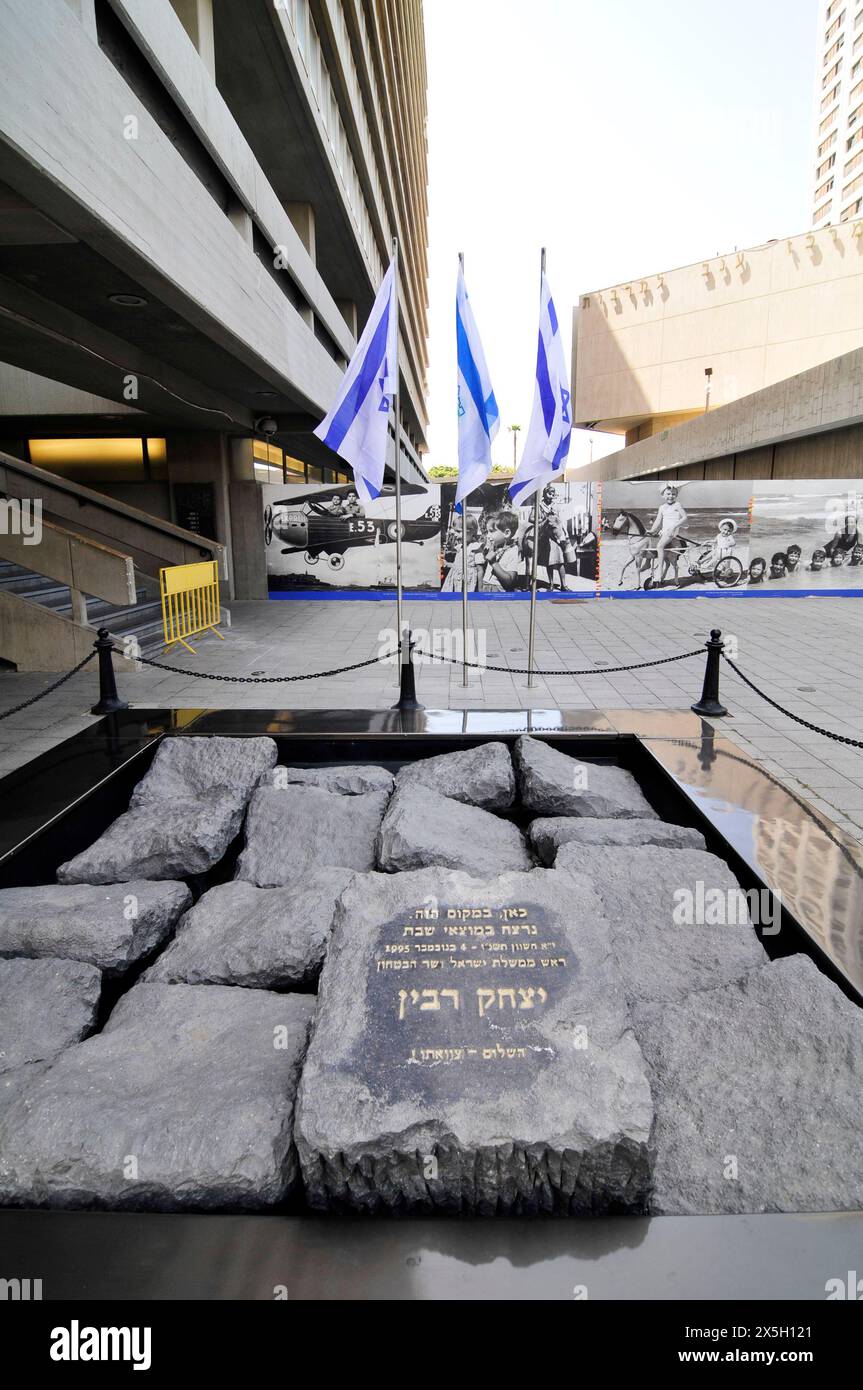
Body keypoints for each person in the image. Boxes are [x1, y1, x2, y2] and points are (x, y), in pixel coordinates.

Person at [647, 484, 687, 586]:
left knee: (659, 546)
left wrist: (674, 526)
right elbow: (658, 521)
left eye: (673, 494)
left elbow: (684, 517)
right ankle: (648, 564)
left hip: (672, 531)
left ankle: (659, 571)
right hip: (664, 531)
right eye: (668, 494)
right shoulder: (662, 507)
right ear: (663, 496)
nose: (670, 496)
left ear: (676, 495)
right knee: (651, 543)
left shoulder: (677, 505)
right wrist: (651, 530)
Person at [480, 511, 522, 591]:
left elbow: (509, 580)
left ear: (506, 533)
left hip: (499, 590)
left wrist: (493, 563)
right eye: (487, 532)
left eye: (492, 531)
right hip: (486, 586)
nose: (488, 536)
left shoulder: (512, 551)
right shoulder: (494, 547)